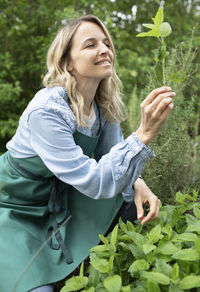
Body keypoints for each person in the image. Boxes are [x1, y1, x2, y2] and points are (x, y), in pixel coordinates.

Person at [0, 15, 175, 292]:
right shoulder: (47, 110)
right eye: (90, 44)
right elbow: (95, 181)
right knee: (35, 288)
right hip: (15, 208)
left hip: (60, 198)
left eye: (106, 43)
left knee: (131, 205)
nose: (105, 49)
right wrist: (143, 134)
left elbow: (111, 155)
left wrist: (139, 183)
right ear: (67, 62)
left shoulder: (103, 103)